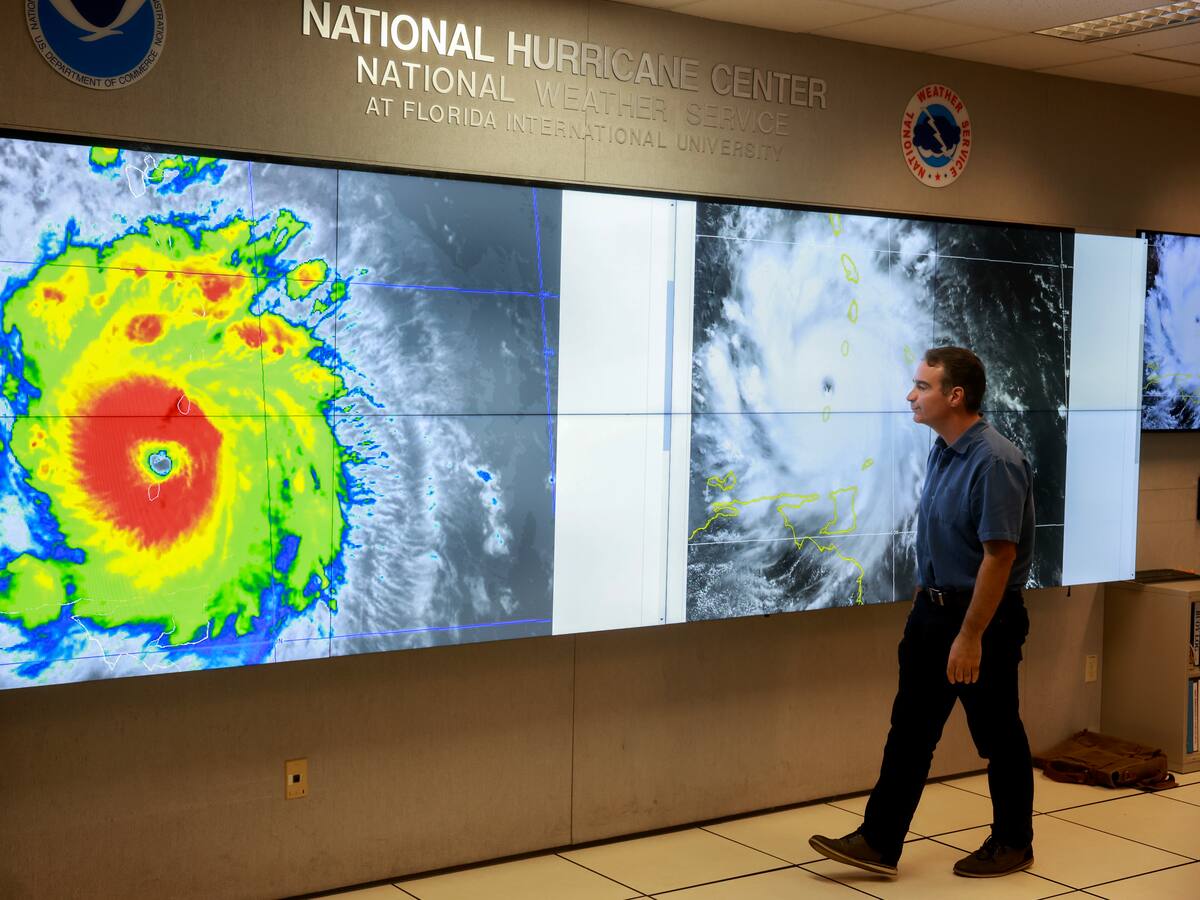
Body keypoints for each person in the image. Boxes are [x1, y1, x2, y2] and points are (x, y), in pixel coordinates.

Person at [809, 346, 1036, 879]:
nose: (911, 395)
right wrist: (925, 597)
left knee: (999, 735)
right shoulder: (944, 449)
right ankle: (879, 841)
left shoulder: (996, 461)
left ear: (955, 396)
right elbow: (943, 535)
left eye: (922, 386)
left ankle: (1013, 842)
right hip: (934, 615)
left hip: (983, 622)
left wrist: (970, 635)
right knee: (909, 731)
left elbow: (999, 557)